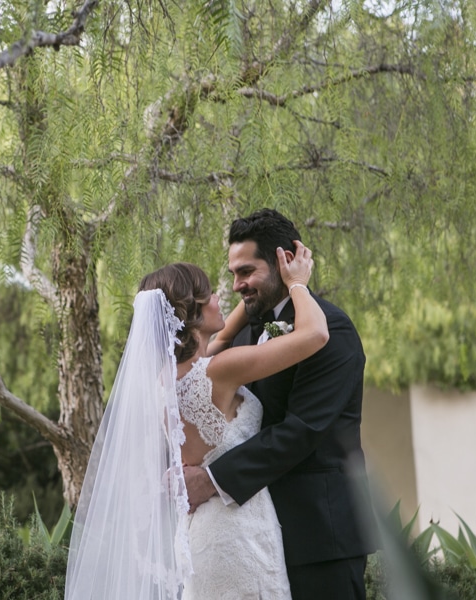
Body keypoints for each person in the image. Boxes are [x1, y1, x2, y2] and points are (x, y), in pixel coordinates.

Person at [65, 240, 327, 600]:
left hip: (201, 533)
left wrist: (249, 300)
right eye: (212, 294)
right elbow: (315, 334)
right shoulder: (220, 371)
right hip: (238, 531)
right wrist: (297, 281)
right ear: (192, 312)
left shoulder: (165, 381)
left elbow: (216, 339)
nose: (224, 296)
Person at [184, 208, 378, 600]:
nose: (237, 285)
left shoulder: (331, 330)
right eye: (233, 273)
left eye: (246, 272)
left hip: (319, 540)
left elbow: (300, 430)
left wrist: (210, 480)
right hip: (254, 538)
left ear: (283, 261)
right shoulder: (246, 333)